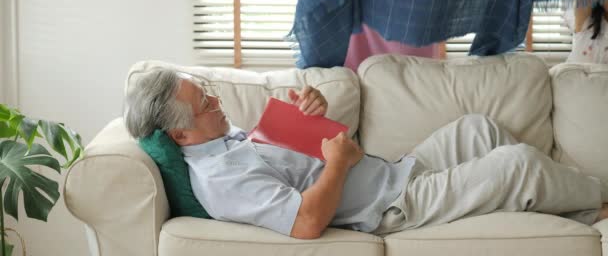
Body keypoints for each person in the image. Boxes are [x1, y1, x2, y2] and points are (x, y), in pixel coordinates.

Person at [124, 69, 608, 239]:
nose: (216, 100)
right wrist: (338, 162)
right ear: (181, 136)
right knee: (516, 164)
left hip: (396, 172)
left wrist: (310, 114)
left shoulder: (223, 140)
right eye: (203, 103)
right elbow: (307, 223)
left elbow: (303, 158)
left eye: (206, 90)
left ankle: (574, 204)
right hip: (392, 207)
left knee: (476, 129)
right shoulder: (220, 182)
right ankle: (600, 203)